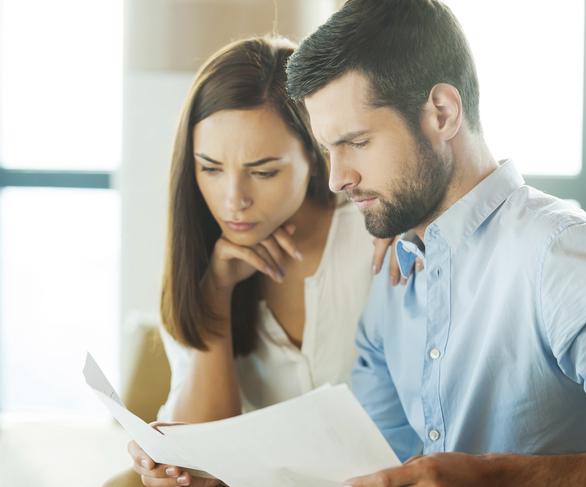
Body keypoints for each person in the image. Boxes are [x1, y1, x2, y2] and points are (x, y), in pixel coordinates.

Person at [286, 0, 586, 485]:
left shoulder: (563, 258)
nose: (337, 178)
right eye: (328, 149)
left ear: (441, 113)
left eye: (357, 141)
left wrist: (503, 479)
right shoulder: (392, 280)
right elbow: (377, 469)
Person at [120, 35, 410, 487]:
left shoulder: (379, 240)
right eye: (210, 169)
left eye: (264, 171)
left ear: (316, 158)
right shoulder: (199, 265)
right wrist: (215, 293)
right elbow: (201, 454)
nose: (233, 200)